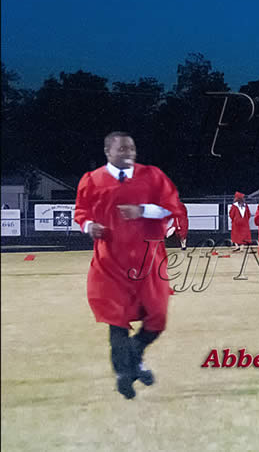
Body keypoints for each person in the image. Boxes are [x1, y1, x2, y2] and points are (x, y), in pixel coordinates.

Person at [74, 131, 183, 399]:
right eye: (122, 149)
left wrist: (143, 210)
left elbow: (172, 207)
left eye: (132, 148)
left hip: (148, 259)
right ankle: (125, 373)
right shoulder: (92, 180)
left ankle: (134, 359)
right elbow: (81, 212)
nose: (129, 153)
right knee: (116, 319)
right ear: (108, 152)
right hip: (111, 261)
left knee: (157, 317)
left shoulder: (153, 176)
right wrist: (89, 226)